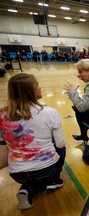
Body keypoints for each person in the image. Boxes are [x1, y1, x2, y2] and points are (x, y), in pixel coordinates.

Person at [0, 73, 66, 210]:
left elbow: (2, 150)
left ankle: (28, 188)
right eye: (37, 85)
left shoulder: (2, 115)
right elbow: (60, 144)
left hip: (16, 173)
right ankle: (52, 179)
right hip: (46, 169)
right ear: (31, 91)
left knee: (30, 173)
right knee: (61, 148)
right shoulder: (50, 113)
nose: (40, 87)